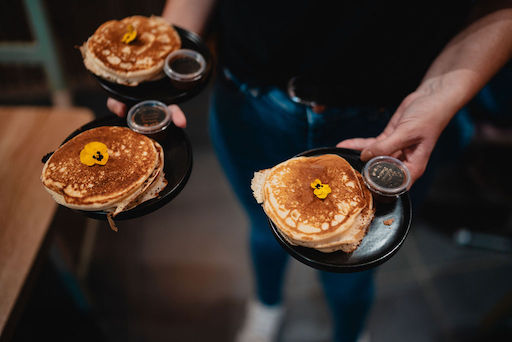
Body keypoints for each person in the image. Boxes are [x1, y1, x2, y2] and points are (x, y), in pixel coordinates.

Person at [108, 1, 512, 341]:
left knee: (352, 266)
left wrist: (437, 99)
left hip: (389, 124)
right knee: (262, 227)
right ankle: (267, 305)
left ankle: (349, 333)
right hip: (249, 102)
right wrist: (161, 58)